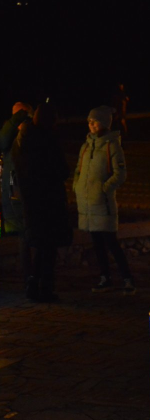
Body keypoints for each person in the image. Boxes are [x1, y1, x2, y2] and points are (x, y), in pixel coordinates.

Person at [12, 102, 72, 302]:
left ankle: (32, 284)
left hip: (31, 201)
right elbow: (62, 170)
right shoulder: (47, 139)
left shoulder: (22, 141)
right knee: (48, 248)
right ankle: (45, 288)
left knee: (40, 246)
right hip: (49, 201)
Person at [73, 105, 135, 295]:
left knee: (111, 243)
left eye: (95, 121)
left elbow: (120, 173)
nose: (91, 124)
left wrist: (104, 189)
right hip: (88, 204)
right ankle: (105, 278)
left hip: (103, 204)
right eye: (89, 121)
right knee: (97, 243)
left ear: (104, 123)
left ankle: (127, 279)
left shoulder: (111, 145)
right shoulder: (86, 146)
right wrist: (77, 186)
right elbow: (78, 170)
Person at [0, 102, 33, 282]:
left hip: (31, 189)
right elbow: (2, 140)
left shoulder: (31, 133)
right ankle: (29, 276)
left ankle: (36, 276)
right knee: (23, 234)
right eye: (16, 115)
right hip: (16, 191)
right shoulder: (9, 137)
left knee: (33, 234)